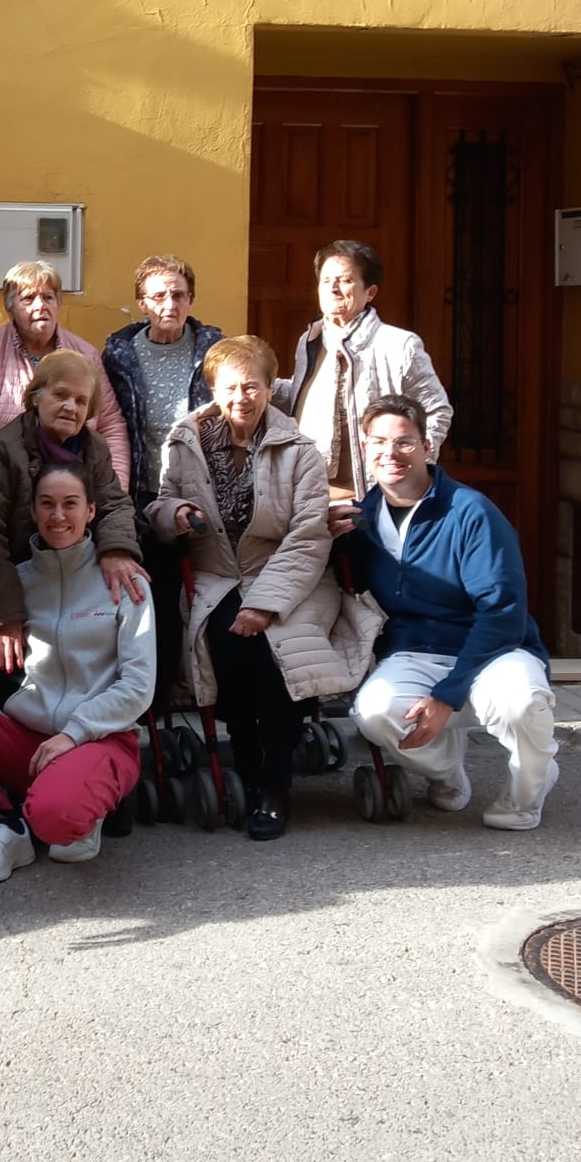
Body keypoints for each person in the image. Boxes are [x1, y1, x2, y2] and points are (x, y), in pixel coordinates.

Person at [148, 336, 381, 842]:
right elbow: (161, 503)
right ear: (213, 388)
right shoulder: (185, 441)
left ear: (269, 390)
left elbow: (308, 535)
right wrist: (176, 515)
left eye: (252, 386)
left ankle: (274, 786)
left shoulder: (299, 449)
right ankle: (250, 763)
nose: (242, 397)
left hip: (291, 576)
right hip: (216, 575)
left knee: (278, 652)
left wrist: (264, 604)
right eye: (230, 386)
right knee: (227, 645)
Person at [0, 463, 154, 884]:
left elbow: (138, 686)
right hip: (28, 744)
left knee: (56, 819)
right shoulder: (13, 582)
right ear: (33, 511)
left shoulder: (124, 583)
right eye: (47, 504)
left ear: (90, 511)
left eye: (70, 504)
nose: (58, 516)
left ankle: (72, 809)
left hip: (99, 739)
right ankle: (3, 824)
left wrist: (73, 733)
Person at [341, 395, 557, 830]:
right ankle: (446, 774)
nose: (391, 453)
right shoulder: (361, 519)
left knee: (520, 704)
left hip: (497, 648)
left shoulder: (471, 512)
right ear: (365, 448)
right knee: (374, 711)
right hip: (415, 650)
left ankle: (524, 797)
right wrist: (336, 540)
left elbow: (502, 613)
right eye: (379, 442)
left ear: (427, 447)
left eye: (404, 442)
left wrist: (446, 695)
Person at [103, 253, 222, 710]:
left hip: (200, 494)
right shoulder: (118, 353)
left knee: (200, 595)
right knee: (149, 594)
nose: (169, 303)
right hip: (139, 496)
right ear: (141, 302)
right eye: (158, 295)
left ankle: (199, 688)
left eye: (178, 294)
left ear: (191, 300)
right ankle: (149, 694)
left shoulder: (212, 351)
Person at [0, 351, 146, 638]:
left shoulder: (94, 447)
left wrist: (116, 550)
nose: (71, 407)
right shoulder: (3, 449)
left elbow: (114, 503)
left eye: (81, 400)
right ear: (36, 397)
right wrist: (7, 615)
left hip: (72, 577)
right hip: (16, 577)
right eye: (61, 394)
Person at [274, 240, 452, 503]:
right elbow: (307, 397)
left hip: (374, 496)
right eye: (326, 280)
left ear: (370, 292)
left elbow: (437, 409)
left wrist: (409, 470)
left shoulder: (400, 345)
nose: (333, 288)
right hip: (313, 497)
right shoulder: (310, 340)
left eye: (345, 280)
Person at [0, 261, 129, 483]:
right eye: (28, 299)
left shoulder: (86, 354)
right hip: (10, 488)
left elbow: (110, 425)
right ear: (10, 309)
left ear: (58, 304)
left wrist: (115, 491)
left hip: (75, 489)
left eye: (48, 297)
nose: (40, 306)